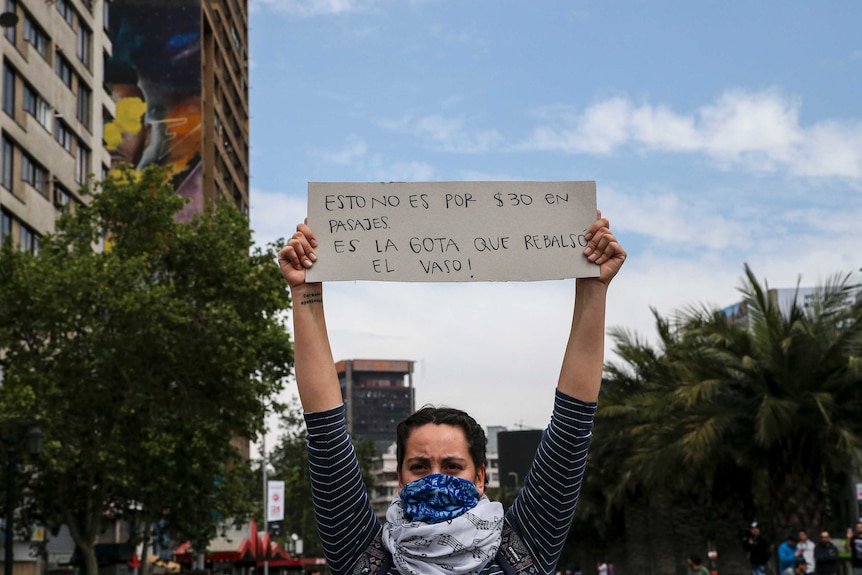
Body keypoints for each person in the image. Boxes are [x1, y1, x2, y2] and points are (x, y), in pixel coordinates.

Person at [278, 213, 626, 575]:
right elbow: (327, 436)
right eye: (419, 466)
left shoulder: (522, 549)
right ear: (399, 477)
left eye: (452, 466)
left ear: (480, 477)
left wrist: (593, 288)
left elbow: (571, 429)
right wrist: (305, 292)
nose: (435, 479)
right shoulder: (365, 555)